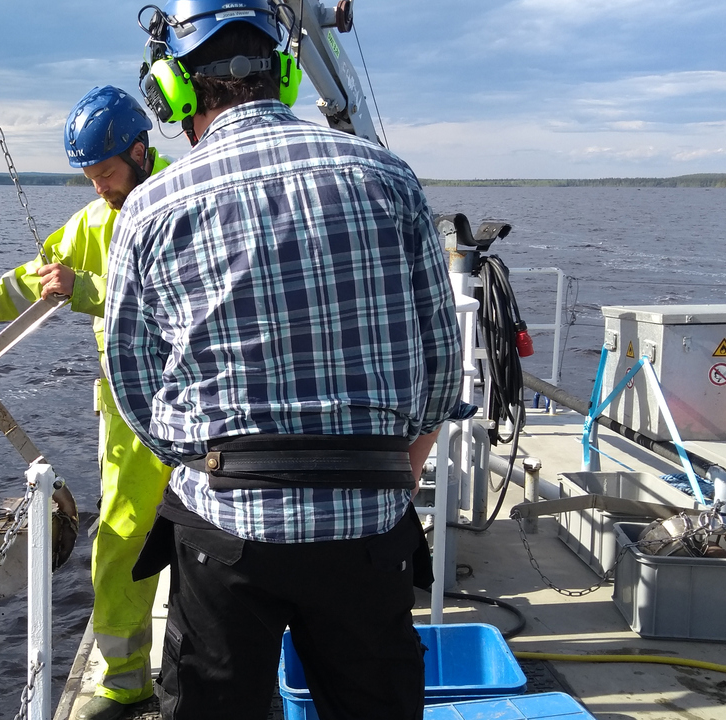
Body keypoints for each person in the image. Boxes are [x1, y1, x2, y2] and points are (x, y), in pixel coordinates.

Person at [102, 2, 464, 719]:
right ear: (289, 73)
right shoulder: (391, 178)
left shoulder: (150, 209)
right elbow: (443, 368)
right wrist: (390, 462)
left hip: (226, 533)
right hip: (368, 528)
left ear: (174, 91)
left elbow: (135, 387)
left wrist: (206, 455)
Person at [0, 86, 173, 720]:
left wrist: (90, 287)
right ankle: (128, 683)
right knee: (123, 542)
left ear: (139, 152)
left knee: (219, 544)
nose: (99, 188)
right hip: (134, 415)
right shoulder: (88, 227)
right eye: (90, 178)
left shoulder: (186, 203)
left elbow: (187, 293)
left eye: (105, 173)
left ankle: (221, 673)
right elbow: (22, 286)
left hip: (207, 406)